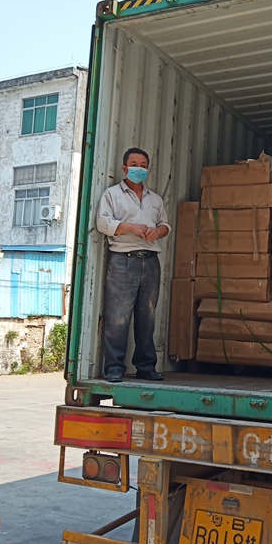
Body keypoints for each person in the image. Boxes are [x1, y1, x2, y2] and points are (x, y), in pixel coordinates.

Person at [96, 147, 171, 382]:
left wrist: (157, 231)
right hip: (123, 260)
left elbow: (165, 225)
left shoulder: (155, 199)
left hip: (150, 261)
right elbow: (102, 223)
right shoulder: (111, 195)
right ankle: (114, 368)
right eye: (134, 164)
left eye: (143, 165)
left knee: (147, 317)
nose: (139, 169)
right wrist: (131, 227)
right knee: (117, 317)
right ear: (124, 167)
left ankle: (146, 367)